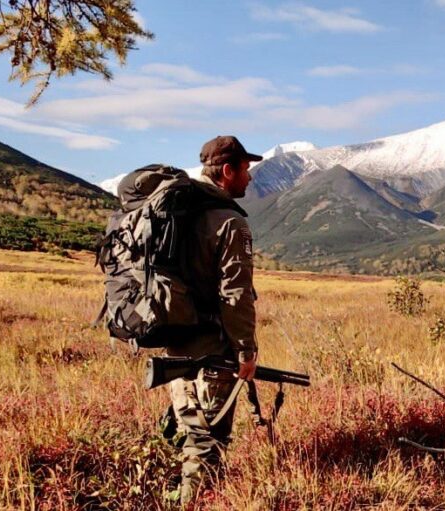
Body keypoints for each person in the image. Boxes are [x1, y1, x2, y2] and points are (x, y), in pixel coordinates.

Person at [165, 135, 262, 505]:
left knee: (191, 431)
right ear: (227, 171)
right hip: (212, 354)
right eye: (245, 170)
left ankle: (173, 492)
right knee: (209, 444)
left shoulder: (181, 214)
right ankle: (192, 502)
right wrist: (246, 351)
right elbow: (235, 296)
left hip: (176, 345)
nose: (249, 178)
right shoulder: (230, 224)